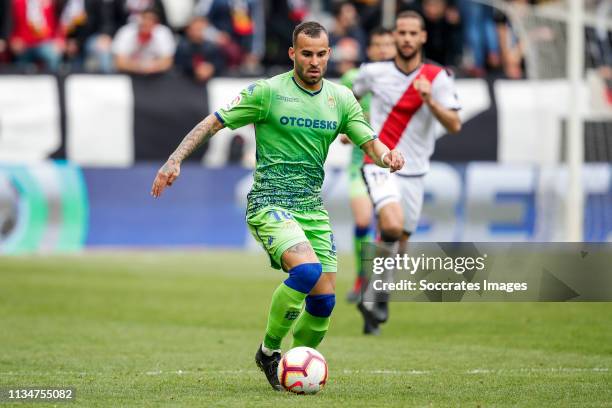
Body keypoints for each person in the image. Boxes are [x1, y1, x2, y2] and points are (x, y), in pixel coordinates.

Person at [150, 21, 404, 391]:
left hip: (311, 208)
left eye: (321, 54)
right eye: (306, 54)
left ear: (329, 54)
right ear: (293, 53)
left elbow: (370, 144)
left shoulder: (341, 98)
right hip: (270, 202)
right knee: (306, 272)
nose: (314, 61)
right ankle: (269, 353)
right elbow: (213, 123)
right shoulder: (267, 92)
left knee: (325, 302)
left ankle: (296, 368)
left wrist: (388, 158)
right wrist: (175, 159)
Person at [353, 10, 462, 334]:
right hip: (380, 162)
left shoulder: (437, 77)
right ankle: (375, 292)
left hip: (416, 172)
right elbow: (349, 99)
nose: (406, 39)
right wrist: (353, 129)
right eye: (401, 33)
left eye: (413, 33)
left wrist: (430, 101)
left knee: (400, 243)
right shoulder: (373, 72)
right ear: (394, 37)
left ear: (423, 37)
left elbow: (455, 124)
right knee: (391, 223)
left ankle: (374, 295)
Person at [339, 26, 395, 304]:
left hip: (390, 165)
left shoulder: (402, 80)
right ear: (370, 49)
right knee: (363, 220)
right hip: (361, 163)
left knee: (389, 227)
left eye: (389, 44)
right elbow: (342, 124)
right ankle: (362, 276)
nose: (384, 49)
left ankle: (380, 280)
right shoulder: (354, 78)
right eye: (378, 44)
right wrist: (350, 135)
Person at [112, 7, 175, 75]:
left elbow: (167, 62)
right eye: (144, 18)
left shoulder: (162, 32)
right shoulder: (126, 32)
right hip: (130, 75)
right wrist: (140, 66)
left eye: (151, 20)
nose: (147, 22)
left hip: (156, 76)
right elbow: (119, 62)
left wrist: (151, 66)